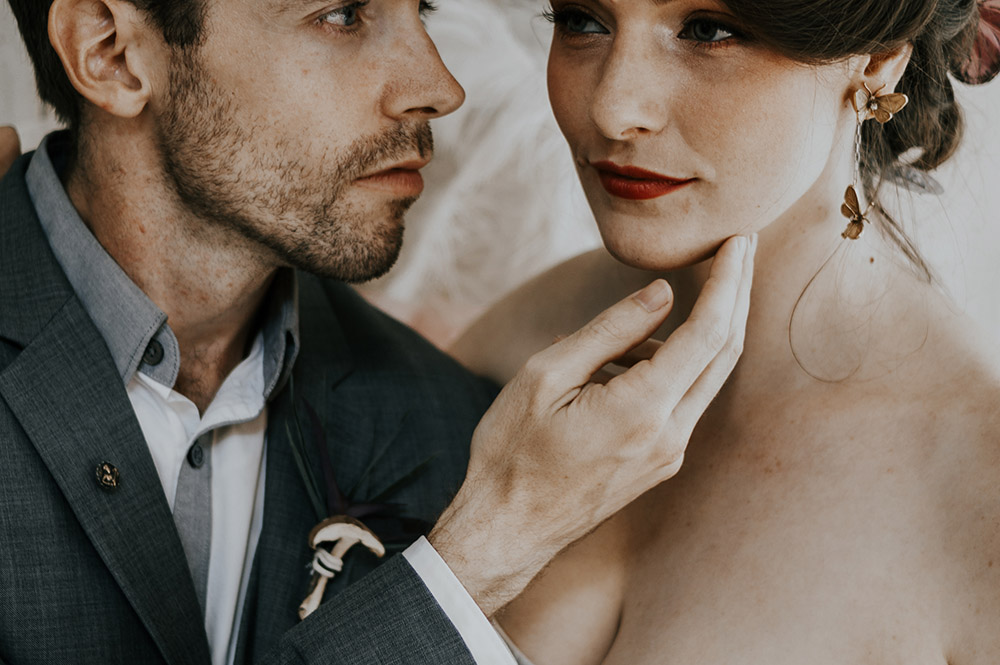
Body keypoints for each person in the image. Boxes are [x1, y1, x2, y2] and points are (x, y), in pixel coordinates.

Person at [0, 0, 754, 663]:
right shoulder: (493, 510)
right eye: (343, 13)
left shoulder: (451, 429)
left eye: (420, 8)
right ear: (111, 52)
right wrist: (470, 563)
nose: (439, 88)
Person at [451, 0, 1000, 663]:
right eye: (581, 20)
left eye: (709, 31)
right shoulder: (506, 346)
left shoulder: (978, 492)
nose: (612, 108)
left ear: (881, 59)